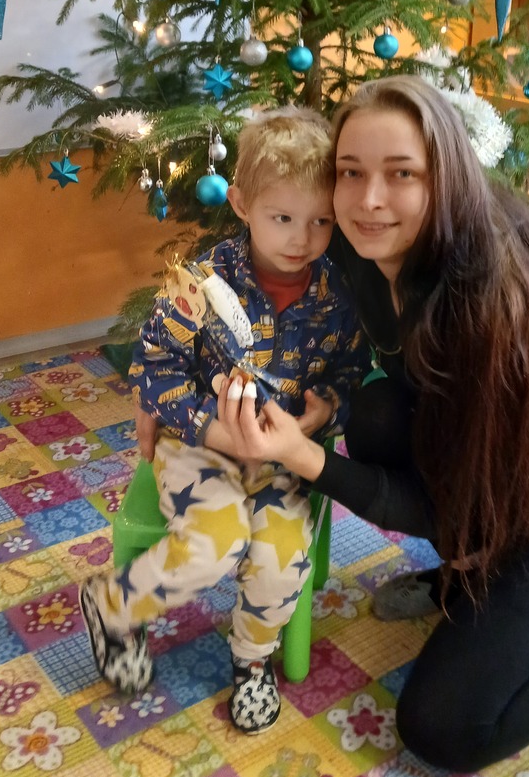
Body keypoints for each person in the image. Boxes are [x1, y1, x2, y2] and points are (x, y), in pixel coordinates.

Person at [207, 75, 529, 770]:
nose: (368, 198)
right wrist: (157, 387)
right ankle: (474, 574)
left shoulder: (492, 303)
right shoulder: (356, 245)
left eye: (401, 174)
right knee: (376, 415)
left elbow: (454, 508)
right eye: (350, 172)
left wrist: (305, 457)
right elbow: (238, 281)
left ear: (444, 177)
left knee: (445, 726)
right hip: (495, 466)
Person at [80, 107, 367, 734]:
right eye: (282, 217)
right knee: (214, 545)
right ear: (241, 204)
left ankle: (252, 659)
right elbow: (153, 370)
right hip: (199, 444)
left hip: (283, 451)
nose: (301, 238)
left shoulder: (338, 295)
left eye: (320, 221)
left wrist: (326, 408)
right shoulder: (201, 284)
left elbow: (350, 370)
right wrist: (215, 431)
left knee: (281, 558)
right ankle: (111, 604)